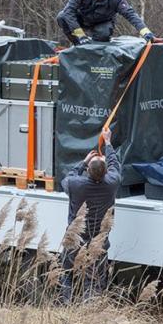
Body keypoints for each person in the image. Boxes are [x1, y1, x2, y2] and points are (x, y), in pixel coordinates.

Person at [59, 127, 121, 302]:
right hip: (98, 242)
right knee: (94, 281)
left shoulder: (75, 185)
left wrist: (84, 162)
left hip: (75, 241)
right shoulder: (111, 184)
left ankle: (66, 303)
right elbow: (115, 165)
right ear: (105, 172)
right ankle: (90, 307)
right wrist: (107, 142)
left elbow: (68, 177)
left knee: (67, 275)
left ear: (88, 170)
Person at [56, 0, 156, 45]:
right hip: (83, 19)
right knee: (61, 17)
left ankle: (96, 51)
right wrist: (80, 34)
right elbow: (69, 11)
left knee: (103, 33)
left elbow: (130, 14)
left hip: (103, 22)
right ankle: (78, 45)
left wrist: (145, 32)